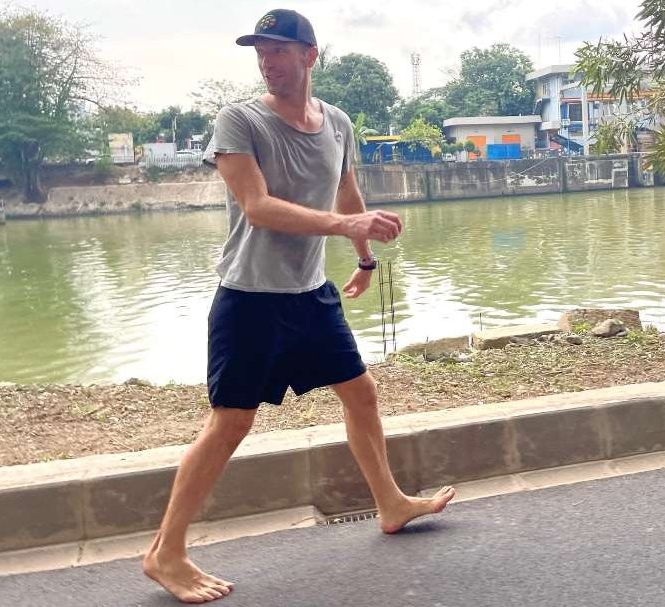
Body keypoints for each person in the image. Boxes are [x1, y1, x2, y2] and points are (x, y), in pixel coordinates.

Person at [142, 9, 455, 603]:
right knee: (231, 423)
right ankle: (165, 552)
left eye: (279, 49)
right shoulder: (238, 120)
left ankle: (389, 503)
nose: (266, 59)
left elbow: (348, 193)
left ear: (310, 55)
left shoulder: (337, 122)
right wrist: (347, 225)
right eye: (260, 50)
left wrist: (362, 256)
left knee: (361, 392)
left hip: (311, 295)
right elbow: (257, 207)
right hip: (250, 298)